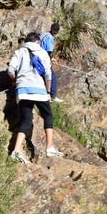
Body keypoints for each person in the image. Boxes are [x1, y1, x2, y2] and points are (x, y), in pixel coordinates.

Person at [7, 32, 63, 163]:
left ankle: (16, 150)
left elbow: (10, 70)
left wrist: (15, 81)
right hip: (39, 90)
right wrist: (49, 92)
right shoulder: (43, 53)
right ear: (37, 42)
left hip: (22, 90)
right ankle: (49, 147)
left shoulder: (19, 52)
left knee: (26, 120)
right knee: (47, 115)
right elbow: (48, 74)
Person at [39, 22, 62, 103]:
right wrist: (50, 58)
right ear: (51, 28)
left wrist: (51, 58)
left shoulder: (44, 34)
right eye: (54, 29)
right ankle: (52, 95)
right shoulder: (49, 38)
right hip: (43, 59)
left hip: (38, 57)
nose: (55, 31)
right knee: (52, 77)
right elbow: (48, 51)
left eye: (57, 30)